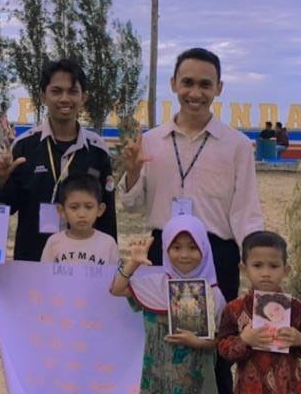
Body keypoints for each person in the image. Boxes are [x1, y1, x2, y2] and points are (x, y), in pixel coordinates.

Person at [118, 47, 263, 394]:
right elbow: (132, 205)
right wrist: (133, 170)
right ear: (173, 84)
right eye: (187, 83)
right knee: (161, 343)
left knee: (214, 349)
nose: (195, 93)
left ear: (219, 88)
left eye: (204, 84)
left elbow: (246, 211)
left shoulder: (237, 146)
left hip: (216, 255)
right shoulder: (151, 141)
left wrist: (255, 265)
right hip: (163, 253)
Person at [0, 59, 116, 261]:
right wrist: (2, 180)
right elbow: (8, 206)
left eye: (72, 92)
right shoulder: (25, 146)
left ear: (84, 97)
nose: (64, 99)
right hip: (33, 257)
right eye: (57, 91)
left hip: (85, 263)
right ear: (43, 96)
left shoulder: (97, 150)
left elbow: (107, 213)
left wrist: (111, 266)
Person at [111, 213, 226, 394]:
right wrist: (133, 263)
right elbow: (117, 289)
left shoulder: (213, 294)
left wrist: (199, 343)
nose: (184, 255)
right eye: (176, 247)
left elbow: (221, 340)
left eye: (193, 247)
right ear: (165, 249)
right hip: (156, 379)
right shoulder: (155, 285)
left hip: (195, 382)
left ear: (204, 249)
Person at [216, 231, 301, 394]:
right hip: (250, 387)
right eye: (257, 265)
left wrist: (300, 340)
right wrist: (244, 340)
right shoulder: (235, 309)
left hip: (289, 387)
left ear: (286, 270)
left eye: (273, 266)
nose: (265, 273)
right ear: (244, 269)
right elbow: (222, 348)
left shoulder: (296, 308)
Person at [40, 173, 119, 265]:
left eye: (89, 207)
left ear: (100, 209)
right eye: (74, 207)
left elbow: (117, 277)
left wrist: (133, 263)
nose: (81, 214)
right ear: (61, 211)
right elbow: (44, 276)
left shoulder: (108, 243)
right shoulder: (53, 242)